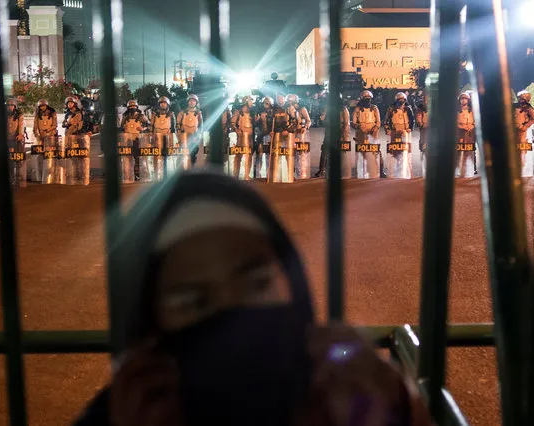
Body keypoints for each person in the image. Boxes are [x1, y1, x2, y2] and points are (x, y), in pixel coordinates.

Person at [73, 169, 431, 426]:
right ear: (148, 315)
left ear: (294, 283)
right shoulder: (124, 414)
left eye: (258, 284)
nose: (232, 313)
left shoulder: (361, 390)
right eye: (194, 302)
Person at [315, 95, 350, 178]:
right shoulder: (327, 108)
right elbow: (322, 119)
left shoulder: (343, 109)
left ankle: (339, 169)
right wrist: (324, 121)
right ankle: (322, 169)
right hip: (330, 131)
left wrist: (345, 135)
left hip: (340, 132)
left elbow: (346, 123)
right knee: (325, 150)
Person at [383, 92, 414, 179]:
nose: (401, 101)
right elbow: (386, 121)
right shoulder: (391, 109)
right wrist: (388, 130)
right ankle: (392, 173)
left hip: (405, 133)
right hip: (394, 133)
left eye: (403, 100)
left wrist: (410, 129)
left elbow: (412, 120)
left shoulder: (408, 109)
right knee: (393, 153)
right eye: (399, 100)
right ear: (396, 100)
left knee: (405, 153)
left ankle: (404, 173)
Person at [352, 90, 382, 179]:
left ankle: (380, 170)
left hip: (372, 132)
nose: (368, 101)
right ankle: (361, 170)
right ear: (362, 99)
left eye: (369, 99)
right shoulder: (357, 109)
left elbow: (379, 121)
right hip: (361, 133)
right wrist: (358, 127)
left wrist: (375, 128)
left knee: (376, 151)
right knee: (361, 152)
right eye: (365, 99)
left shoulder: (374, 108)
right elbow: (353, 122)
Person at [119, 99, 150, 181]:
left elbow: (149, 125)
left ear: (137, 107)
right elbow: (121, 128)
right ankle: (129, 173)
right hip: (128, 140)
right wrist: (123, 130)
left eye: (134, 106)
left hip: (138, 139)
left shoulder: (141, 116)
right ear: (128, 107)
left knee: (138, 157)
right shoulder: (125, 117)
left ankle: (138, 173)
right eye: (130, 106)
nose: (132, 108)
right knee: (128, 157)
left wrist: (142, 128)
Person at [63, 96, 91, 185]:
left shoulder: (80, 113)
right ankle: (72, 173)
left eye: (71, 103)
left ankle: (82, 173)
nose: (69, 104)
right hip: (69, 136)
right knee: (70, 155)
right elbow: (64, 124)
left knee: (80, 155)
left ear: (75, 104)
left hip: (79, 135)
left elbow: (86, 122)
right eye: (68, 103)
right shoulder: (67, 114)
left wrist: (88, 131)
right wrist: (67, 123)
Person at [33, 99, 61, 184]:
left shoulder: (52, 113)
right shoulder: (37, 114)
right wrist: (37, 136)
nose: (42, 107)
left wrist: (48, 131)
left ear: (47, 105)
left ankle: (52, 174)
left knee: (51, 156)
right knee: (39, 157)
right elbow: (35, 128)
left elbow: (55, 125)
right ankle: (40, 176)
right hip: (41, 137)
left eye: (43, 105)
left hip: (50, 137)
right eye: (41, 106)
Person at [149, 96, 176, 180]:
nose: (163, 105)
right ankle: (159, 174)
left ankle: (168, 174)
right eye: (161, 103)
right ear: (159, 104)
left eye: (165, 103)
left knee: (168, 156)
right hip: (157, 138)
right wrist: (151, 137)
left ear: (167, 104)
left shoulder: (171, 114)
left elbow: (173, 128)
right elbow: (151, 127)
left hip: (167, 138)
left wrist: (173, 139)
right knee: (158, 157)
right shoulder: (154, 115)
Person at [231, 95, 255, 180]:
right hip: (241, 136)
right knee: (238, 155)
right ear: (246, 101)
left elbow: (256, 123)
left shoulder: (253, 112)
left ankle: (247, 175)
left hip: (250, 136)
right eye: (250, 100)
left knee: (249, 155)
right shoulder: (239, 111)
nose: (252, 102)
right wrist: (237, 130)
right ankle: (235, 175)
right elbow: (233, 122)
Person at [177, 94, 203, 167]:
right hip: (184, 137)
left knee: (193, 154)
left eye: (194, 101)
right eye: (190, 101)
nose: (192, 102)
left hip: (194, 136)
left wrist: (199, 135)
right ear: (188, 102)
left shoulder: (198, 113)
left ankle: (192, 169)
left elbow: (201, 126)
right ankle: (184, 170)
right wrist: (179, 135)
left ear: (196, 103)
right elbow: (177, 125)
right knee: (184, 154)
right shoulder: (182, 113)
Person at [456, 92, 476, 177]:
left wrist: (471, 126)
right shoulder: (456, 111)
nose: (463, 100)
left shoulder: (472, 111)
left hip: (469, 135)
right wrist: (461, 126)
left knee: (469, 153)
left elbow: (475, 121)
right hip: (459, 135)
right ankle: (458, 171)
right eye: (462, 99)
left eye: (465, 99)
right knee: (459, 153)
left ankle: (469, 172)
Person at [514, 90, 534, 174]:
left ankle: (526, 171)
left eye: (522, 98)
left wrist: (525, 126)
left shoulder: (529, 109)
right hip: (515, 132)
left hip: (525, 133)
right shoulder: (515, 107)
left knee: (524, 151)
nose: (521, 100)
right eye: (520, 98)